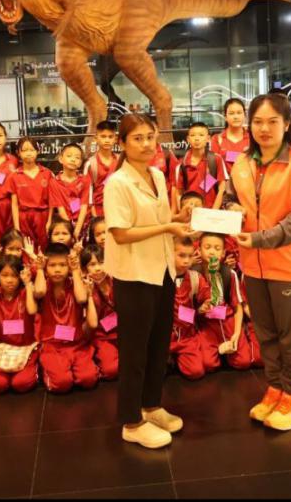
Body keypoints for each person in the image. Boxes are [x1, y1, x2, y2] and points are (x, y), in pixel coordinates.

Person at [223, 92, 291, 432]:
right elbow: (229, 198)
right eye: (258, 122)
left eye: (272, 122)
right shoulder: (241, 162)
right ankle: (275, 387)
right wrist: (233, 209)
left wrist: (261, 238)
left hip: (289, 264)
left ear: (287, 124)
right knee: (265, 333)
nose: (264, 129)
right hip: (253, 264)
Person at [104, 113, 193, 449]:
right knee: (135, 351)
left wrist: (177, 218)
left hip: (162, 270)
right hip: (134, 274)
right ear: (123, 144)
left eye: (150, 137)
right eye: (137, 138)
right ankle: (131, 421)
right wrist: (168, 227)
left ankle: (151, 406)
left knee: (158, 345)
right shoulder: (117, 183)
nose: (145, 144)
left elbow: (158, 217)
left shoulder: (156, 174)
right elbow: (121, 233)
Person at [33, 243, 99, 394]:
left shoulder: (74, 283)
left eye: (62, 265)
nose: (57, 269)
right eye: (52, 265)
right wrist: (40, 269)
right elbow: (39, 291)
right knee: (62, 383)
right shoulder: (44, 284)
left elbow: (82, 298)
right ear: (46, 266)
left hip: (76, 344)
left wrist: (75, 270)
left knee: (88, 379)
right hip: (52, 346)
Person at [0, 255, 40, 394]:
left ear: (20, 276)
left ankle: (35, 367)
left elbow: (32, 310)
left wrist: (28, 284)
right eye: (4, 275)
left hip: (26, 346)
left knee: (21, 383)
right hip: (3, 348)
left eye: (14, 275)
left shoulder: (25, 292)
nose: (9, 280)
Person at [195, 233, 251, 371]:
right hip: (207, 326)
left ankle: (229, 352)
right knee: (208, 364)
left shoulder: (229, 274)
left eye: (217, 248)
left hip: (228, 323)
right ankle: (217, 354)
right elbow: (185, 310)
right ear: (199, 250)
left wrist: (236, 333)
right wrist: (199, 310)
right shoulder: (193, 275)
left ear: (223, 253)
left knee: (243, 362)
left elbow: (237, 307)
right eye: (207, 247)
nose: (212, 251)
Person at [169, 237, 210, 381]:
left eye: (190, 256)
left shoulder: (196, 278)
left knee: (196, 371)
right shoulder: (160, 278)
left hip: (187, 335)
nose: (186, 261)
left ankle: (179, 358)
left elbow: (209, 298)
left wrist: (205, 306)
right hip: (164, 337)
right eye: (181, 255)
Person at [81, 244, 118, 380]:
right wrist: (89, 295)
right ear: (84, 269)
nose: (98, 268)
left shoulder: (115, 280)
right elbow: (89, 325)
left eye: (101, 262)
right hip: (102, 337)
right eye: (92, 264)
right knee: (111, 370)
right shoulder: (83, 289)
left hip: (123, 333)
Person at [12, 137, 54, 252]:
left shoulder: (47, 173)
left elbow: (52, 201)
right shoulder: (15, 175)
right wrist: (16, 226)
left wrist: (49, 221)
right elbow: (14, 204)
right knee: (27, 248)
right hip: (24, 217)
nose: (28, 153)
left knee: (43, 248)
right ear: (18, 153)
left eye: (32, 149)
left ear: (38, 151)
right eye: (24, 150)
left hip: (43, 216)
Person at [173, 122, 229, 210]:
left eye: (201, 135)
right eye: (193, 135)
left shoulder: (216, 159)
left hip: (212, 211)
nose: (197, 138)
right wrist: (184, 210)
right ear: (188, 139)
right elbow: (179, 192)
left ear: (208, 138)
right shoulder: (181, 164)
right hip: (191, 212)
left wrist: (214, 211)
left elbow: (222, 188)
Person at [49, 143, 90, 237]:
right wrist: (70, 230)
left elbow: (84, 206)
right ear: (61, 159)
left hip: (83, 224)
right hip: (65, 226)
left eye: (77, 157)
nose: (73, 159)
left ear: (80, 163)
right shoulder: (54, 182)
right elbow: (60, 209)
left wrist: (77, 229)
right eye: (69, 156)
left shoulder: (85, 180)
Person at [84, 120, 119, 218]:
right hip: (98, 210)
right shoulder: (90, 164)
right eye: (103, 136)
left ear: (115, 139)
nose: (107, 140)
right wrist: (94, 215)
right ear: (96, 138)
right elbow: (87, 191)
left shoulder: (121, 161)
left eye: (110, 137)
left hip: (118, 207)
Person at [211, 98, 250, 173]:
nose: (236, 116)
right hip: (224, 180)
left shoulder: (253, 138)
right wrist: (205, 185)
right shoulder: (216, 139)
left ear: (244, 115)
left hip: (248, 179)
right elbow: (213, 169)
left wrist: (225, 155)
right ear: (225, 117)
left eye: (239, 113)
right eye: (231, 113)